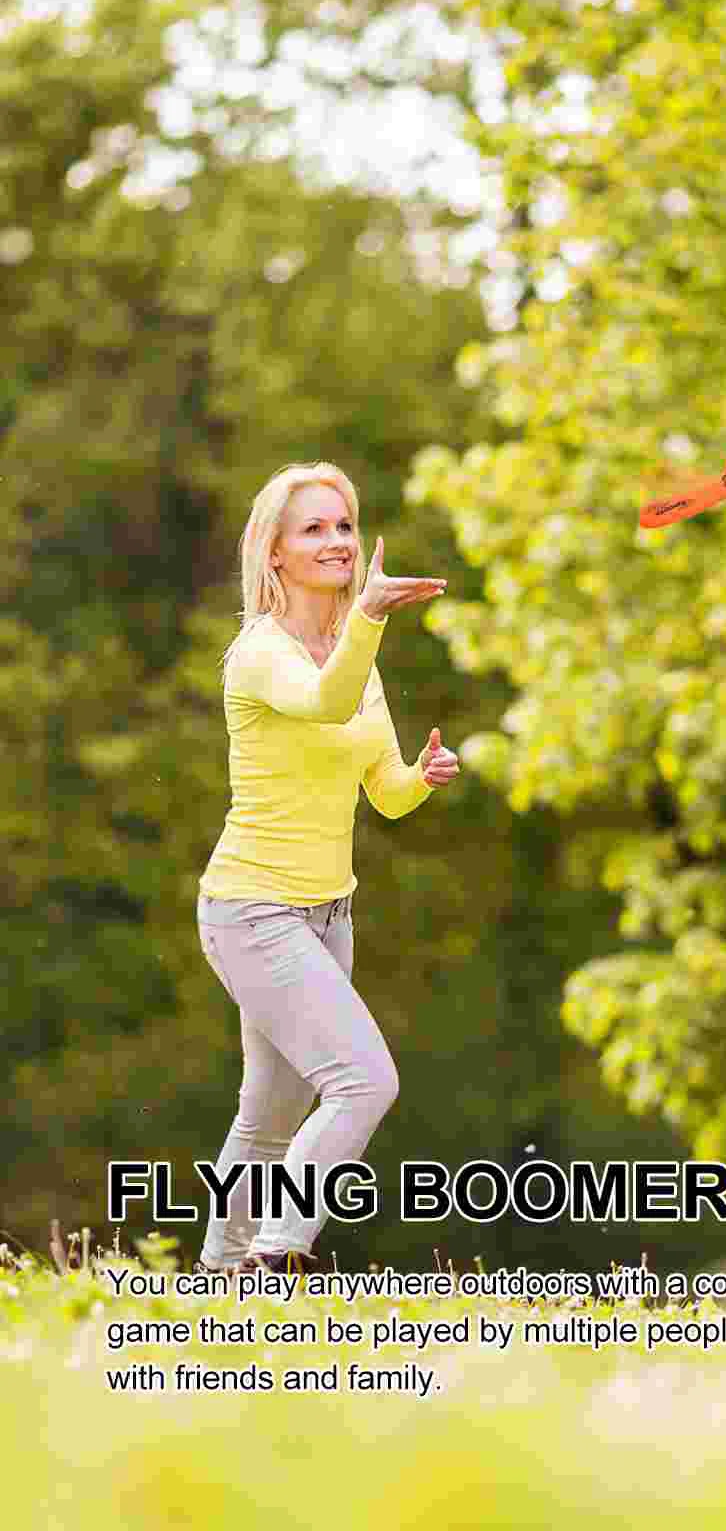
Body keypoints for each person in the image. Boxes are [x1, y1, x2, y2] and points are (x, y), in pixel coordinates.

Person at [194, 463, 459, 1275]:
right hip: (252, 910)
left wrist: (421, 777)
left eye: (344, 525)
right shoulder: (259, 655)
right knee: (363, 1083)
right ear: (273, 553)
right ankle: (275, 1252)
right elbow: (323, 703)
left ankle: (216, 1277)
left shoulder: (354, 658)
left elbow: (383, 794)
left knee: (271, 1118)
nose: (337, 541)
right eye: (314, 528)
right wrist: (371, 619)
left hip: (327, 915)